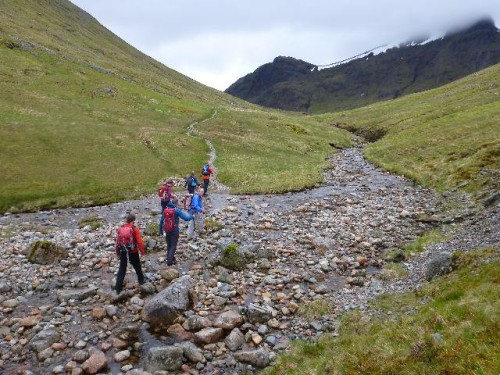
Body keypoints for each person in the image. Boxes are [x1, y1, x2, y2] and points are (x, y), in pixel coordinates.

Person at [114, 213, 145, 294]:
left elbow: (117, 241)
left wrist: (117, 252)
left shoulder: (121, 228)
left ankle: (118, 287)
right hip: (133, 251)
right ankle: (141, 280)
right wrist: (143, 252)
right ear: (133, 221)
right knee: (137, 265)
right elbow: (139, 242)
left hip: (123, 251)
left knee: (122, 268)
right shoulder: (135, 229)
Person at [161, 197, 193, 266]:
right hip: (175, 230)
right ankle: (169, 261)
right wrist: (191, 215)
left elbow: (161, 221)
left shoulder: (165, 210)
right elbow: (186, 218)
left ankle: (170, 258)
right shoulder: (176, 210)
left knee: (169, 244)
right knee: (173, 245)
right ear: (176, 203)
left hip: (167, 230)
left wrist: (160, 231)